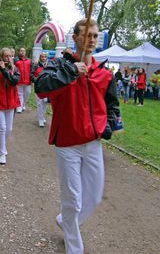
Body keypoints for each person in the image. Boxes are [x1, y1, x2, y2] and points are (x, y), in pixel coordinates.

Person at [35, 18, 120, 254]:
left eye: (95, 35)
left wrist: (109, 126)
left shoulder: (103, 72)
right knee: (72, 199)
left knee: (92, 198)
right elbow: (41, 86)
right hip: (67, 144)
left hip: (93, 143)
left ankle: (66, 221)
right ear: (75, 38)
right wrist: (72, 71)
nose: (91, 39)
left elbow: (112, 104)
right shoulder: (59, 65)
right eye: (86, 35)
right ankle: (74, 247)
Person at [0, 47, 20, 165]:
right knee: (2, 128)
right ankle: (2, 152)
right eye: (6, 56)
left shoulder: (15, 69)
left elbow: (14, 81)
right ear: (1, 57)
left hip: (11, 102)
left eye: (10, 56)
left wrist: (3, 70)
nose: (8, 58)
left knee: (9, 129)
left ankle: (3, 145)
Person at [31, 52, 49, 127]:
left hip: (47, 88)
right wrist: (36, 80)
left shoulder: (49, 65)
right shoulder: (36, 65)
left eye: (45, 57)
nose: (43, 58)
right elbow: (31, 74)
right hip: (38, 87)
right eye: (42, 56)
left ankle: (42, 116)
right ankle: (40, 119)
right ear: (40, 57)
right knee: (39, 104)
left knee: (45, 103)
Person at [14, 47, 32, 113]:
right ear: (19, 52)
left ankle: (23, 104)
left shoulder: (29, 60)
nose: (22, 52)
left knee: (28, 92)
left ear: (25, 52)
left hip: (27, 80)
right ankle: (19, 107)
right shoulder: (16, 60)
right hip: (19, 80)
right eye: (21, 51)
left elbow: (32, 70)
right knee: (20, 94)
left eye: (23, 51)